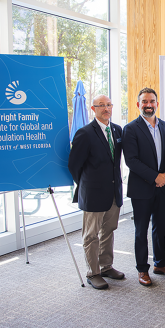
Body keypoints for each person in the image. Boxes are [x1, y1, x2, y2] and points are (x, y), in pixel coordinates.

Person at [123, 87, 165, 286]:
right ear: (138, 104)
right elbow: (131, 160)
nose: (148, 105)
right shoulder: (131, 129)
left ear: (157, 103)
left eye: (152, 101)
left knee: (161, 227)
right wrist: (155, 177)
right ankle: (142, 269)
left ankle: (160, 263)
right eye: (145, 102)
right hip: (141, 188)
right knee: (141, 230)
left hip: (162, 187)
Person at [68, 94, 124, 290]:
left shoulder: (117, 130)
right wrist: (87, 184)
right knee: (91, 235)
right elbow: (74, 165)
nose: (106, 108)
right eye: (101, 105)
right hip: (93, 193)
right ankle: (93, 273)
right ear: (93, 109)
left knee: (109, 230)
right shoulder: (85, 133)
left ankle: (106, 266)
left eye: (109, 105)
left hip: (114, 192)